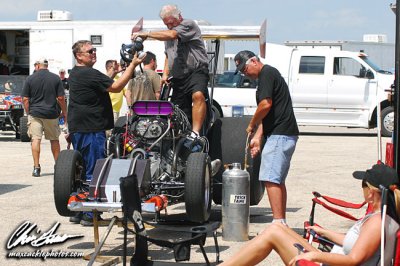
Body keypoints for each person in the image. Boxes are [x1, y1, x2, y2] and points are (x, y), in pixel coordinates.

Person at [221, 163, 400, 266]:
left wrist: (314, 256)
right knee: (277, 226)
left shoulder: (377, 222)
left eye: (363, 184)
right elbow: (356, 243)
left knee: (274, 234)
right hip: (332, 261)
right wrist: (325, 233)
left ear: (371, 192)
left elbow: (354, 259)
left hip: (331, 264)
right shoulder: (381, 217)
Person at [67, 40, 145, 226]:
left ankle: (78, 210)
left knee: (83, 169)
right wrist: (132, 66)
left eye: (94, 50)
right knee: (95, 170)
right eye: (89, 51)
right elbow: (116, 87)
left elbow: (99, 84)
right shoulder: (90, 73)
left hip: (80, 127)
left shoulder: (76, 73)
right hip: (91, 128)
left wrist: (113, 73)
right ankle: (90, 213)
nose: (93, 53)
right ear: (79, 55)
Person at [235, 50, 299, 225]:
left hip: (281, 133)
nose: (244, 73)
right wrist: (258, 136)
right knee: (275, 180)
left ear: (254, 61)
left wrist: (251, 124)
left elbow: (265, 104)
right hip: (280, 133)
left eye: (244, 68)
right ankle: (280, 221)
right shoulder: (265, 77)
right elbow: (269, 111)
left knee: (270, 178)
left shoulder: (267, 73)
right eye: (241, 71)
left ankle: (278, 223)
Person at [131, 4, 209, 136]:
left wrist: (148, 34)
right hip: (179, 77)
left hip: (196, 71)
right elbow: (168, 55)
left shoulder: (188, 24)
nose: (169, 26)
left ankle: (195, 133)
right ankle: (181, 136)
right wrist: (165, 74)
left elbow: (173, 34)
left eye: (171, 23)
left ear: (179, 16)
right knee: (177, 111)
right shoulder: (167, 36)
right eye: (166, 24)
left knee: (198, 95)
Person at [21, 58, 67, 177]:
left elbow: (25, 99)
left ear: (37, 66)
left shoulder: (30, 79)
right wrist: (64, 112)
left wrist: (28, 111)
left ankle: (36, 168)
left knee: (35, 139)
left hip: (35, 114)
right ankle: (58, 166)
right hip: (51, 114)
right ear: (46, 66)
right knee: (54, 140)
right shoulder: (56, 78)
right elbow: (61, 98)